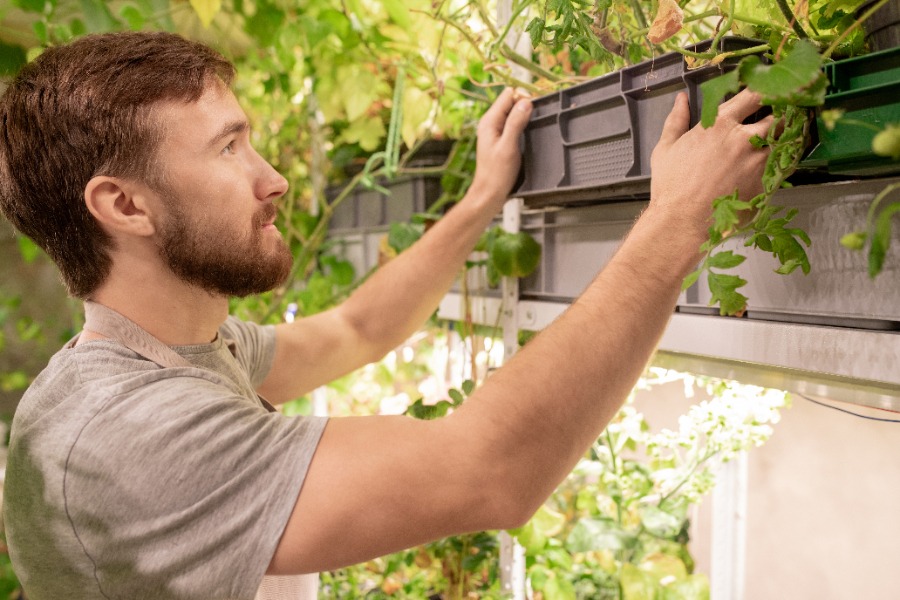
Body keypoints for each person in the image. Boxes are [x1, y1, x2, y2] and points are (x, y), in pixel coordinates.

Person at [0, 31, 771, 600]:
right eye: (229, 149)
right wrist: (676, 220)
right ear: (125, 205)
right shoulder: (133, 431)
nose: (273, 180)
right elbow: (489, 472)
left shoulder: (180, 348)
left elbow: (356, 331)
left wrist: (478, 200)